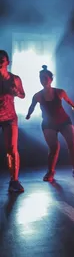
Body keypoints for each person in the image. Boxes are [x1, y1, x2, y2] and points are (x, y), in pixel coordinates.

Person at [26, 65, 74, 182]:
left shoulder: (60, 92)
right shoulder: (37, 95)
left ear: (51, 79)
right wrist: (28, 115)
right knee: (54, 148)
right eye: (41, 78)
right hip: (49, 124)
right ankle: (50, 171)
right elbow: (31, 107)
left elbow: (69, 101)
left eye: (45, 78)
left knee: (71, 144)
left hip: (64, 121)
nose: (42, 80)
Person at [0, 50, 25, 193]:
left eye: (2, 59)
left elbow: (22, 94)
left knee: (12, 149)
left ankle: (14, 181)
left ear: (7, 62)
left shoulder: (14, 78)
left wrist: (15, 91)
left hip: (9, 117)